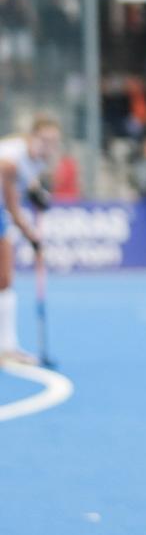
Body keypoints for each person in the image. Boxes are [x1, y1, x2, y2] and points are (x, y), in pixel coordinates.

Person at [0, 115, 57, 363]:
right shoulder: (13, 156)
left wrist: (34, 192)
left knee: (3, 279)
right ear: (31, 137)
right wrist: (30, 233)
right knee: (4, 277)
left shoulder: (37, 163)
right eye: (43, 140)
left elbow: (22, 190)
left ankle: (6, 346)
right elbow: (11, 200)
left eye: (53, 141)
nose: (48, 146)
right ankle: (6, 348)